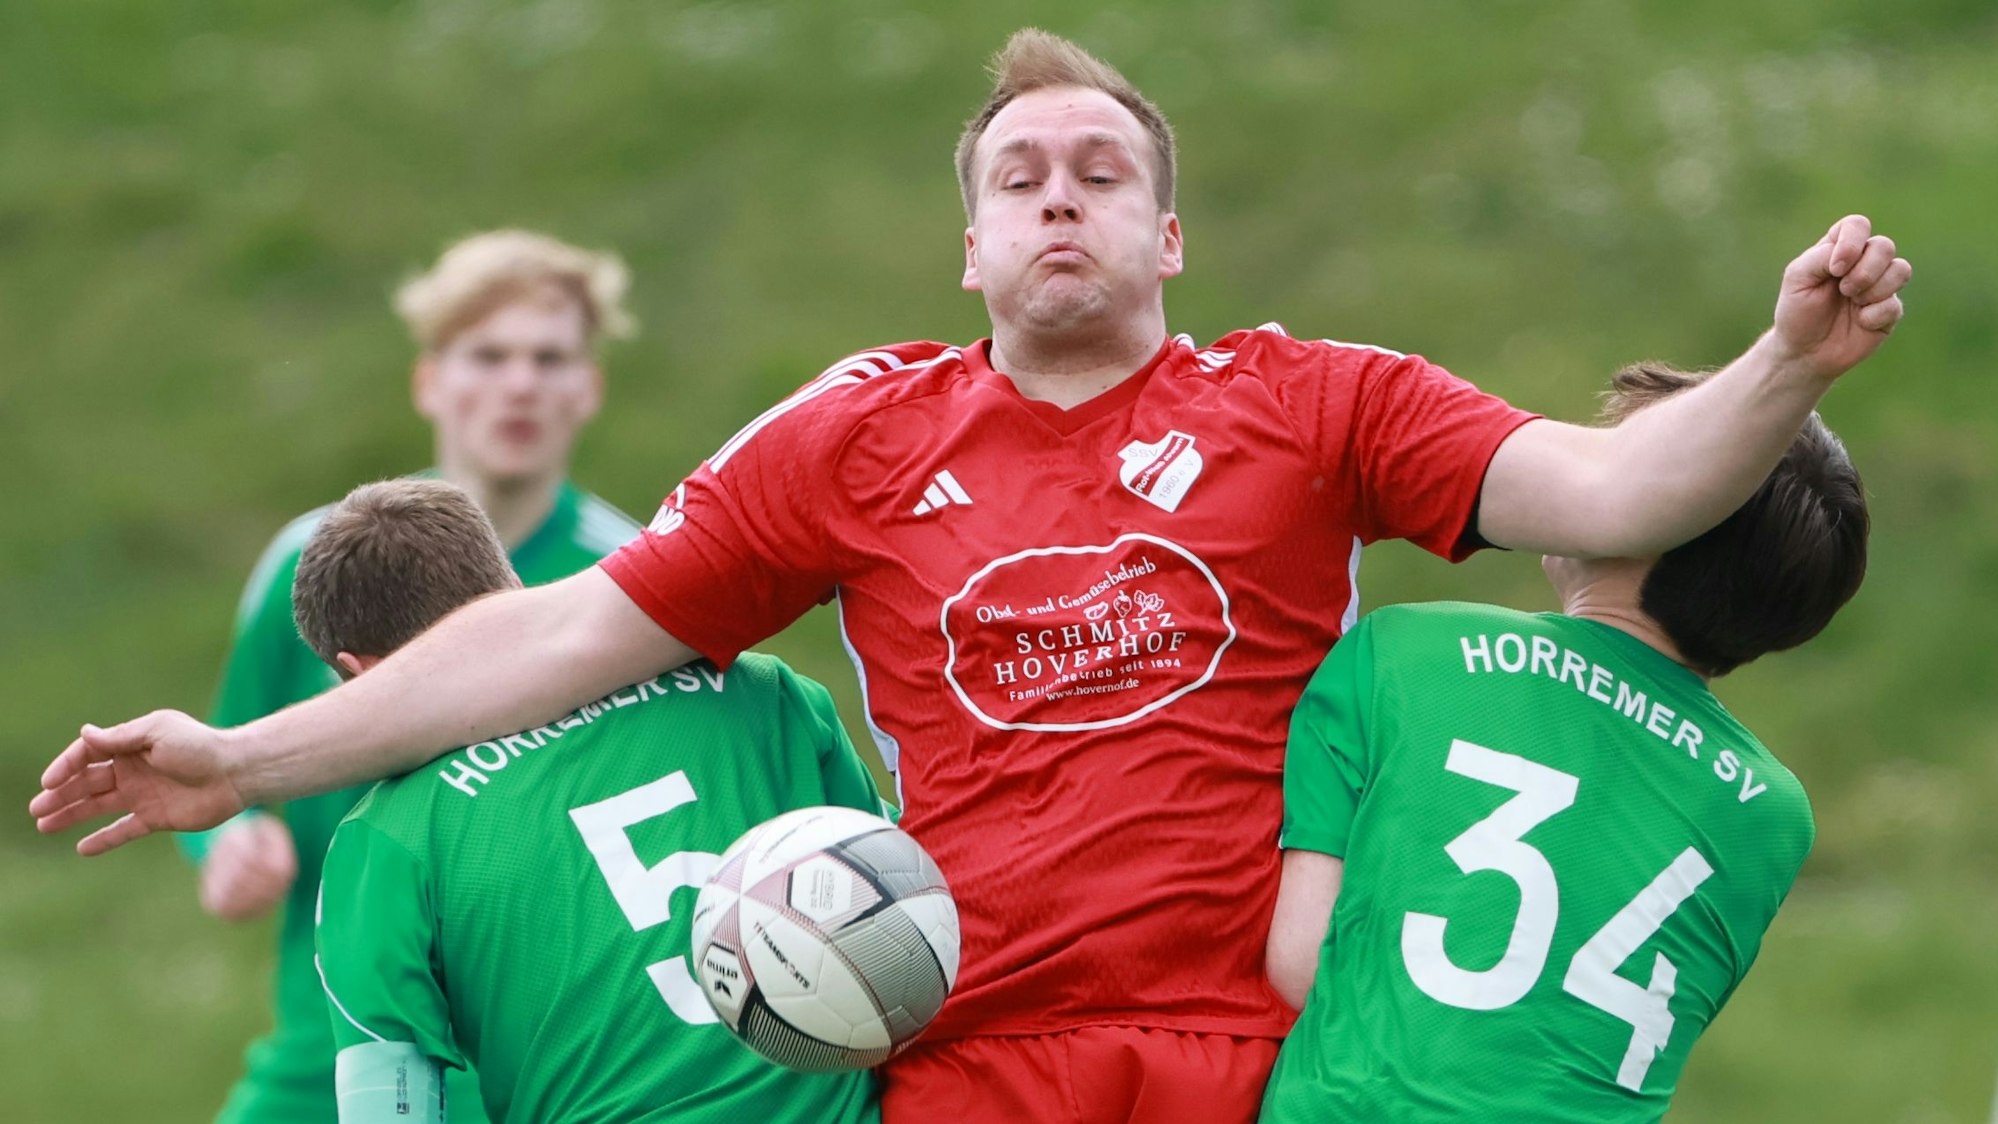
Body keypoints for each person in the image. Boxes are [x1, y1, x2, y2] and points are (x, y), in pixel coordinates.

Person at [34, 29, 1910, 1124]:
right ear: (968, 247)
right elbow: (560, 632)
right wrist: (243, 759)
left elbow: (1616, 480)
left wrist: (1780, 367)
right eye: (1019, 177)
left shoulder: (1317, 402)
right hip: (965, 1047)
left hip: (1247, 1051)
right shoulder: (850, 439)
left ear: (1167, 234)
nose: (1059, 194)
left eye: (1100, 170)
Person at [1259, 363, 1868, 1121]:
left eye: (1621, 458)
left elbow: (1301, 961)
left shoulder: (1402, 653)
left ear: (1665, 510)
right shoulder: (1770, 816)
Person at [178, 230, 644, 1124]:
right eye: (488, 355)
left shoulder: (623, 586)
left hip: (526, 1075)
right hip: (324, 1053)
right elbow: (225, 755)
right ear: (429, 380)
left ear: (588, 387)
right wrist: (231, 842)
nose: (520, 384)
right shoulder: (317, 565)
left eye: (549, 358)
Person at [288, 478, 884, 1124]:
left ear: (358, 675)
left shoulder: (381, 843)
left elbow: (391, 1106)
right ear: (515, 587)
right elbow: (907, 904)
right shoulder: (760, 692)